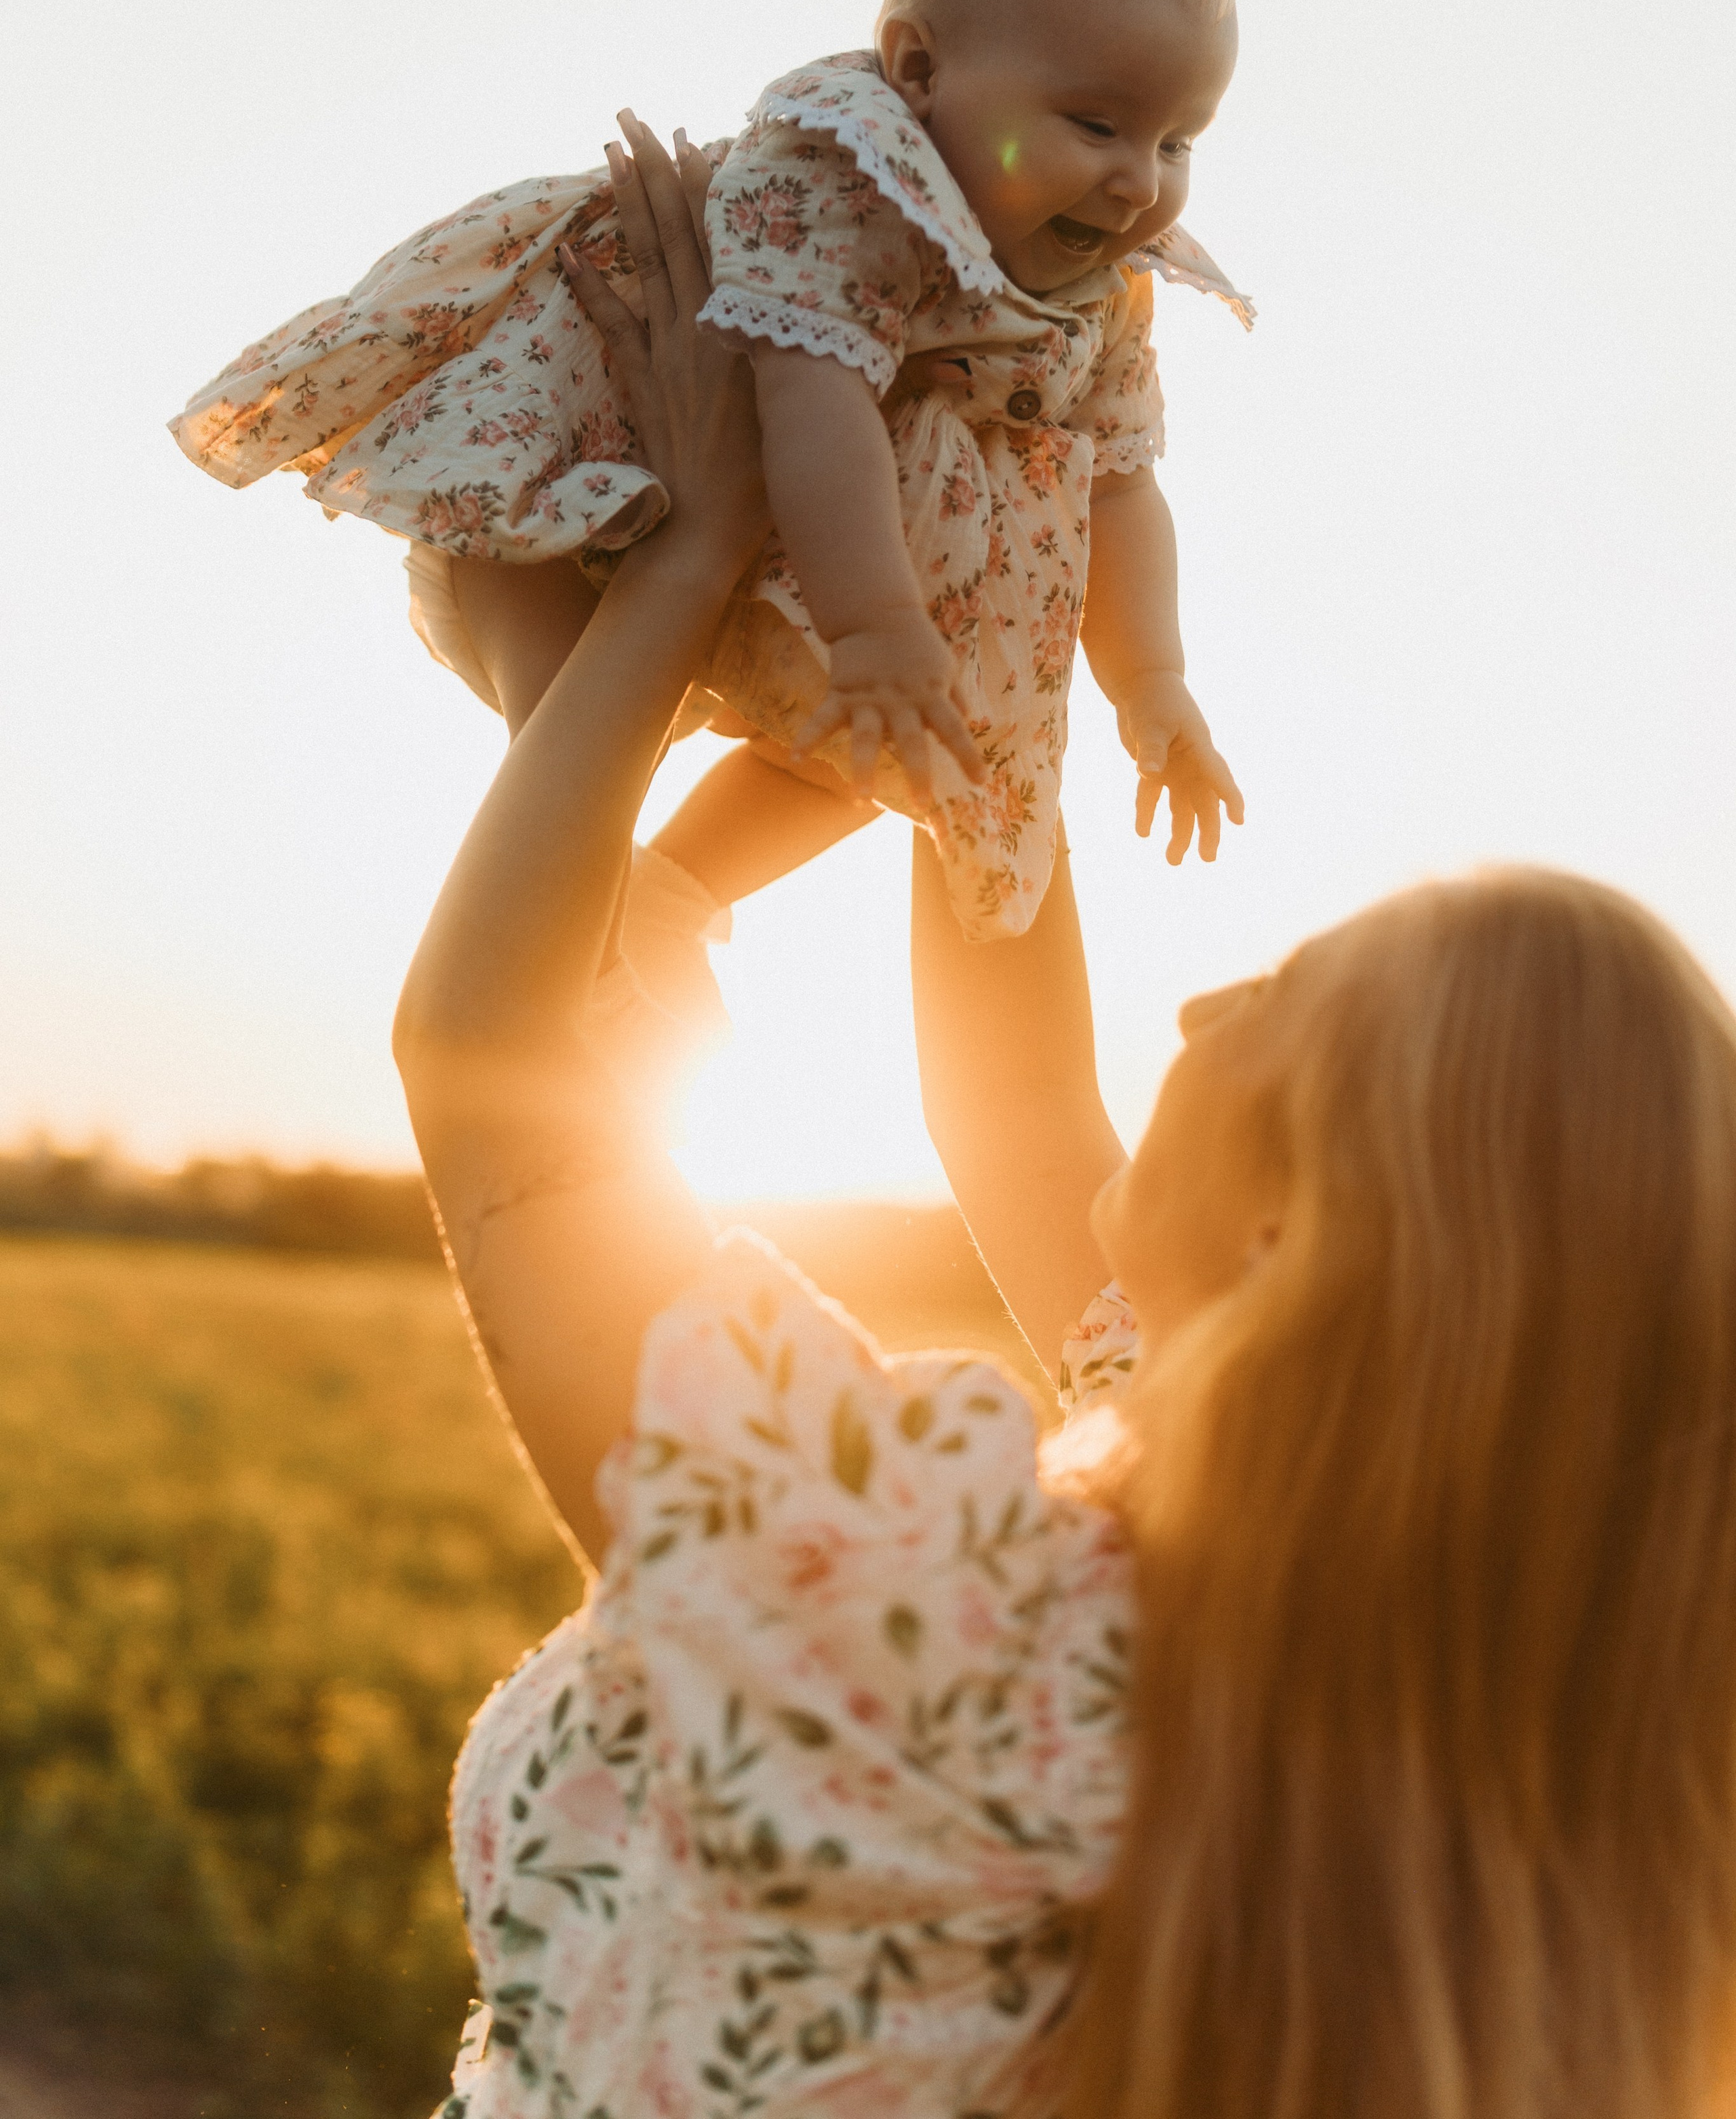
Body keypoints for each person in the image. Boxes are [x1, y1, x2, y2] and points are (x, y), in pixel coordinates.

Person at [397, 130, 1736, 2119]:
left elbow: (492, 1067)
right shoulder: (1542, 1818)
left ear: (1303, 1251)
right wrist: (991, 530)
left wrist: (679, 578)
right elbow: (1022, 1113)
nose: (1212, 994)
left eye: (1287, 1006)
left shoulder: (961, 1622)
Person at [167, 0, 1252, 962]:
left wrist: (1153, 681)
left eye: (1177, 141)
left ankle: (672, 895)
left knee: (896, 746)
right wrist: (880, 622)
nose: (1141, 183)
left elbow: (1121, 488)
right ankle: (583, 890)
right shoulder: (851, 185)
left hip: (818, 544)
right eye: (1097, 123)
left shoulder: (1110, 292)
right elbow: (812, 399)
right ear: (920, 68)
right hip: (599, 443)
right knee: (570, 675)